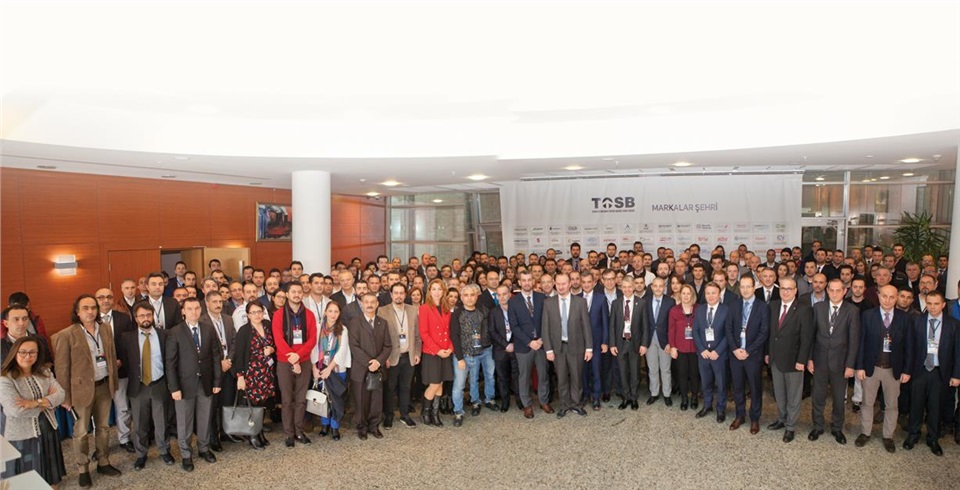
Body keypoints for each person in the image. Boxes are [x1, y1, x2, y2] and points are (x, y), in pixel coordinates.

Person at [52, 294, 121, 487]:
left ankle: (103, 461)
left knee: (104, 428)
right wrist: (65, 396)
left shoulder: (105, 329)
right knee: (81, 432)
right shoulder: (66, 335)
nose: (90, 311)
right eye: (85, 308)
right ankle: (83, 468)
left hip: (104, 386)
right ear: (77, 312)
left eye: (93, 307)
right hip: (80, 391)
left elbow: (111, 355)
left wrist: (113, 382)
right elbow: (61, 369)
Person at [0, 337, 66, 488]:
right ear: (15, 353)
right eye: (23, 352)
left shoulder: (44, 372)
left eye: (32, 352)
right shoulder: (5, 379)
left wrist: (35, 403)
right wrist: (47, 402)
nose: (27, 356)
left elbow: (61, 395)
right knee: (27, 480)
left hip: (48, 429)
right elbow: (15, 410)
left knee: (51, 475)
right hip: (22, 435)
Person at [165, 297, 222, 471]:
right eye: (189, 308)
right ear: (183, 311)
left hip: (206, 383)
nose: (194, 312)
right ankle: (186, 454)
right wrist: (174, 387)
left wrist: (217, 380)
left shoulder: (208, 329)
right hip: (184, 385)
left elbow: (216, 356)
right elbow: (170, 363)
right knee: (184, 421)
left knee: (204, 418)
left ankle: (204, 448)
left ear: (201, 309)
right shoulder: (175, 332)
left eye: (197, 308)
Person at [854, 285, 913, 453]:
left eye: (892, 297)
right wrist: (859, 366)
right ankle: (865, 432)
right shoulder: (867, 315)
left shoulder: (905, 318)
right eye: (884, 296)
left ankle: (888, 436)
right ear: (878, 296)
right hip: (871, 367)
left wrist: (907, 370)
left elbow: (909, 346)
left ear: (897, 298)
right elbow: (861, 342)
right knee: (867, 402)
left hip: (893, 370)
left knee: (892, 405)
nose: (887, 300)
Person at [117, 302, 175, 470]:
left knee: (161, 422)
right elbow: (125, 361)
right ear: (136, 318)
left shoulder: (165, 335)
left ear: (153, 316)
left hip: (159, 384)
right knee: (140, 424)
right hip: (138, 386)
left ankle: (164, 451)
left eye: (148, 315)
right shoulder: (127, 338)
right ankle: (141, 455)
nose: (145, 318)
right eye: (141, 316)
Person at [903, 290, 958, 456]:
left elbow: (957, 352)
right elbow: (909, 347)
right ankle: (913, 434)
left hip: (939, 372)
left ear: (943, 305)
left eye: (936, 304)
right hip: (919, 370)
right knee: (916, 404)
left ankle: (933, 438)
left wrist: (956, 374)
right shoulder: (916, 321)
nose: (932, 307)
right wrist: (907, 370)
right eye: (929, 303)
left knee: (936, 407)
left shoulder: (953, 324)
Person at [808, 279, 861, 445]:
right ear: (827, 290)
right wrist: (809, 358)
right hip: (819, 361)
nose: (835, 294)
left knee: (839, 399)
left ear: (845, 291)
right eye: (831, 290)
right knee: (818, 397)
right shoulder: (818, 308)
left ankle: (837, 428)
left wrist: (850, 365)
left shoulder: (852, 311)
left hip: (840, 363)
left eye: (838, 290)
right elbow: (811, 336)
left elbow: (854, 340)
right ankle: (817, 426)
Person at [766, 278, 815, 443]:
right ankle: (781, 418)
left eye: (789, 289)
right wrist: (768, 353)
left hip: (794, 361)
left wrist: (802, 360)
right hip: (775, 359)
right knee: (779, 394)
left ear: (795, 291)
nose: (785, 292)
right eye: (782, 288)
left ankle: (791, 426)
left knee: (793, 396)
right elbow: (771, 333)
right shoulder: (773, 306)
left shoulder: (804, 309)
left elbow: (806, 338)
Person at [271, 282, 318, 447]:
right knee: (286, 400)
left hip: (304, 361)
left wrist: (298, 356)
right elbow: (278, 339)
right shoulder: (278, 315)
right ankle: (288, 434)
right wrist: (293, 359)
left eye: (299, 292)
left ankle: (299, 431)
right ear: (287, 294)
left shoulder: (309, 315)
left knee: (300, 399)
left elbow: (312, 339)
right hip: (285, 362)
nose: (297, 294)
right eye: (293, 292)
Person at [542, 273, 593, 417]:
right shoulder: (548, 303)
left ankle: (576, 404)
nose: (561, 286)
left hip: (577, 346)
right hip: (558, 348)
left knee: (577, 378)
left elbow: (586, 326)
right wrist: (548, 350)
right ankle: (564, 405)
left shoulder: (580, 302)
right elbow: (545, 328)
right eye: (558, 284)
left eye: (564, 283)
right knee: (562, 378)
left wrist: (589, 348)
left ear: (570, 284)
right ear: (554, 284)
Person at [727, 275, 769, 434]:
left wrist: (748, 350)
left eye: (748, 286)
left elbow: (764, 332)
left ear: (754, 287)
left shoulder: (762, 307)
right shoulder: (734, 305)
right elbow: (728, 329)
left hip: (753, 355)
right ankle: (740, 415)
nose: (745, 290)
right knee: (737, 387)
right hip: (736, 355)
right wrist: (735, 349)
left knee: (755, 388)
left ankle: (755, 418)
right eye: (742, 286)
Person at [449, 284, 496, 427]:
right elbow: (454, 336)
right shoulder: (457, 313)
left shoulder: (481, 312)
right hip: (462, 355)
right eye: (466, 295)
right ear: (462, 298)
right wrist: (460, 358)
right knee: (459, 385)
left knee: (474, 380)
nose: (469, 298)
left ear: (477, 297)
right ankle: (458, 411)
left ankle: (476, 402)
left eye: (472, 295)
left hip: (477, 353)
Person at [347, 293, 391, 440]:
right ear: (362, 304)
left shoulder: (383, 323)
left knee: (376, 400)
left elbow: (387, 346)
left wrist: (378, 362)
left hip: (378, 369)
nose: (370, 305)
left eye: (373, 302)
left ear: (377, 304)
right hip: (361, 369)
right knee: (361, 400)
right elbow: (354, 346)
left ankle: (374, 426)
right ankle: (362, 427)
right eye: (366, 302)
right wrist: (369, 363)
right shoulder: (354, 322)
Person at [233, 302, 276, 449]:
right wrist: (240, 377)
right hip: (251, 373)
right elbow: (239, 356)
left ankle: (259, 431)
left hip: (266, 372)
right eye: (253, 312)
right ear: (248, 315)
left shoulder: (267, 326)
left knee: (262, 405)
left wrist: (272, 349)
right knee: (253, 405)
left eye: (259, 311)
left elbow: (274, 344)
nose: (257, 315)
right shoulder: (244, 331)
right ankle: (252, 434)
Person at [508, 271, 551, 418]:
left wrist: (541, 339)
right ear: (519, 282)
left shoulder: (542, 298)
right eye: (524, 280)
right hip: (523, 346)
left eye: (529, 280)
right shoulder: (513, 302)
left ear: (533, 281)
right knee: (524, 376)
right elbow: (514, 326)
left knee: (543, 374)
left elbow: (547, 321)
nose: (527, 283)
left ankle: (544, 401)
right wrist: (529, 342)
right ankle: (527, 405)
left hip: (541, 344)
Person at [378, 283, 420, 429]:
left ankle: (404, 414)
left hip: (409, 355)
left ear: (405, 294)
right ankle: (388, 415)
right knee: (390, 388)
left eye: (401, 293)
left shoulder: (412, 310)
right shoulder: (382, 311)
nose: (399, 296)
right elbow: (380, 337)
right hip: (391, 358)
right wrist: (384, 358)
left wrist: (417, 353)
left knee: (406, 387)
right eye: (396, 293)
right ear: (391, 294)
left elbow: (417, 335)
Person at [693, 283, 732, 423]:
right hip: (703, 354)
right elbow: (695, 331)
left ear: (719, 294)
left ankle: (721, 409)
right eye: (708, 293)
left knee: (721, 384)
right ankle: (707, 405)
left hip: (719, 355)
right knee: (706, 382)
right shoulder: (700, 309)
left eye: (713, 293)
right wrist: (702, 349)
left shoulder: (726, 310)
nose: (710, 296)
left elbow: (729, 334)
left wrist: (718, 351)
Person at [311, 301, 351, 440]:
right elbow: (313, 349)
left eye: (336, 311)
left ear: (339, 314)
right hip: (320, 368)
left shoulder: (343, 329)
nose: (333, 314)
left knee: (336, 399)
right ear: (325, 312)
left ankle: (335, 426)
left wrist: (329, 368)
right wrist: (314, 368)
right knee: (323, 398)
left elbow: (342, 351)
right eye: (330, 311)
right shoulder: (317, 328)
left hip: (337, 369)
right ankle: (324, 424)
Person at [418, 279, 454, 426]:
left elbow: (451, 331)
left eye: (439, 289)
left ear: (444, 291)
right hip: (432, 352)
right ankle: (425, 412)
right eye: (434, 289)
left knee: (440, 383)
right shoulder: (424, 308)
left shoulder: (447, 308)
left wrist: (450, 348)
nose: (437, 292)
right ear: (429, 291)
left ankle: (435, 413)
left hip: (446, 351)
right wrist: (438, 350)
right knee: (434, 384)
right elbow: (424, 333)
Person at [608, 276, 647, 410]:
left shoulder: (641, 303)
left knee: (635, 372)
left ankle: (634, 397)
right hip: (620, 343)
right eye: (624, 287)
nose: (627, 289)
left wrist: (644, 344)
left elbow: (645, 326)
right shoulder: (616, 303)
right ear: (621, 288)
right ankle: (626, 397)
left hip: (635, 343)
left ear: (634, 287)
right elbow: (612, 326)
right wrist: (612, 344)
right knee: (623, 372)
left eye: (630, 286)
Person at [643, 277, 676, 407]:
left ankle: (667, 394)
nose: (658, 288)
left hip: (665, 341)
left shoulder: (670, 301)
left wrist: (670, 342)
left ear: (664, 287)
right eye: (655, 286)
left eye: (660, 286)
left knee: (665, 369)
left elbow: (672, 325)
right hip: (649, 340)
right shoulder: (645, 301)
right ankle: (654, 393)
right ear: (651, 287)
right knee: (652, 369)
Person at [668, 285, 700, 411]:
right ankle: (684, 398)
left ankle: (694, 397)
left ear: (692, 295)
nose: (686, 296)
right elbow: (671, 330)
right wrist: (672, 347)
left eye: (688, 293)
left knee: (694, 374)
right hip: (680, 347)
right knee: (682, 374)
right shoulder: (674, 311)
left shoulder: (699, 309)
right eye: (684, 293)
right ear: (680, 295)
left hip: (695, 347)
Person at [490, 284, 520, 412]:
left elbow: (521, 328)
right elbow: (492, 332)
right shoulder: (493, 312)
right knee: (502, 378)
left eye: (504, 294)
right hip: (500, 350)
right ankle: (505, 402)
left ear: (509, 295)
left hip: (516, 349)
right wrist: (506, 345)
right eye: (499, 295)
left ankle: (519, 401)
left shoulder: (517, 310)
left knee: (517, 376)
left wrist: (514, 344)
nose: (502, 297)